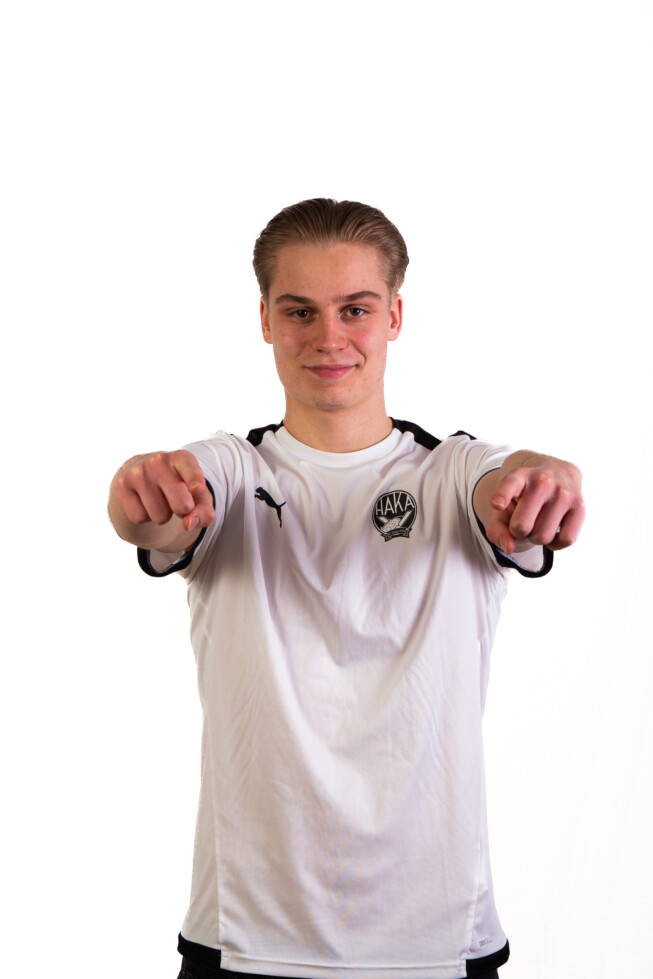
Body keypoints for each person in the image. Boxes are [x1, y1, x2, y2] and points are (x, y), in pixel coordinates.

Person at [108, 199, 585, 979]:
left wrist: (544, 480)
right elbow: (159, 512)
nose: (328, 337)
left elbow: (508, 482)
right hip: (246, 940)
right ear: (265, 319)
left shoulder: (452, 471)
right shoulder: (232, 469)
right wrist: (142, 493)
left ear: (393, 315)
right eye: (299, 311)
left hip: (435, 943)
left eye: (354, 309)